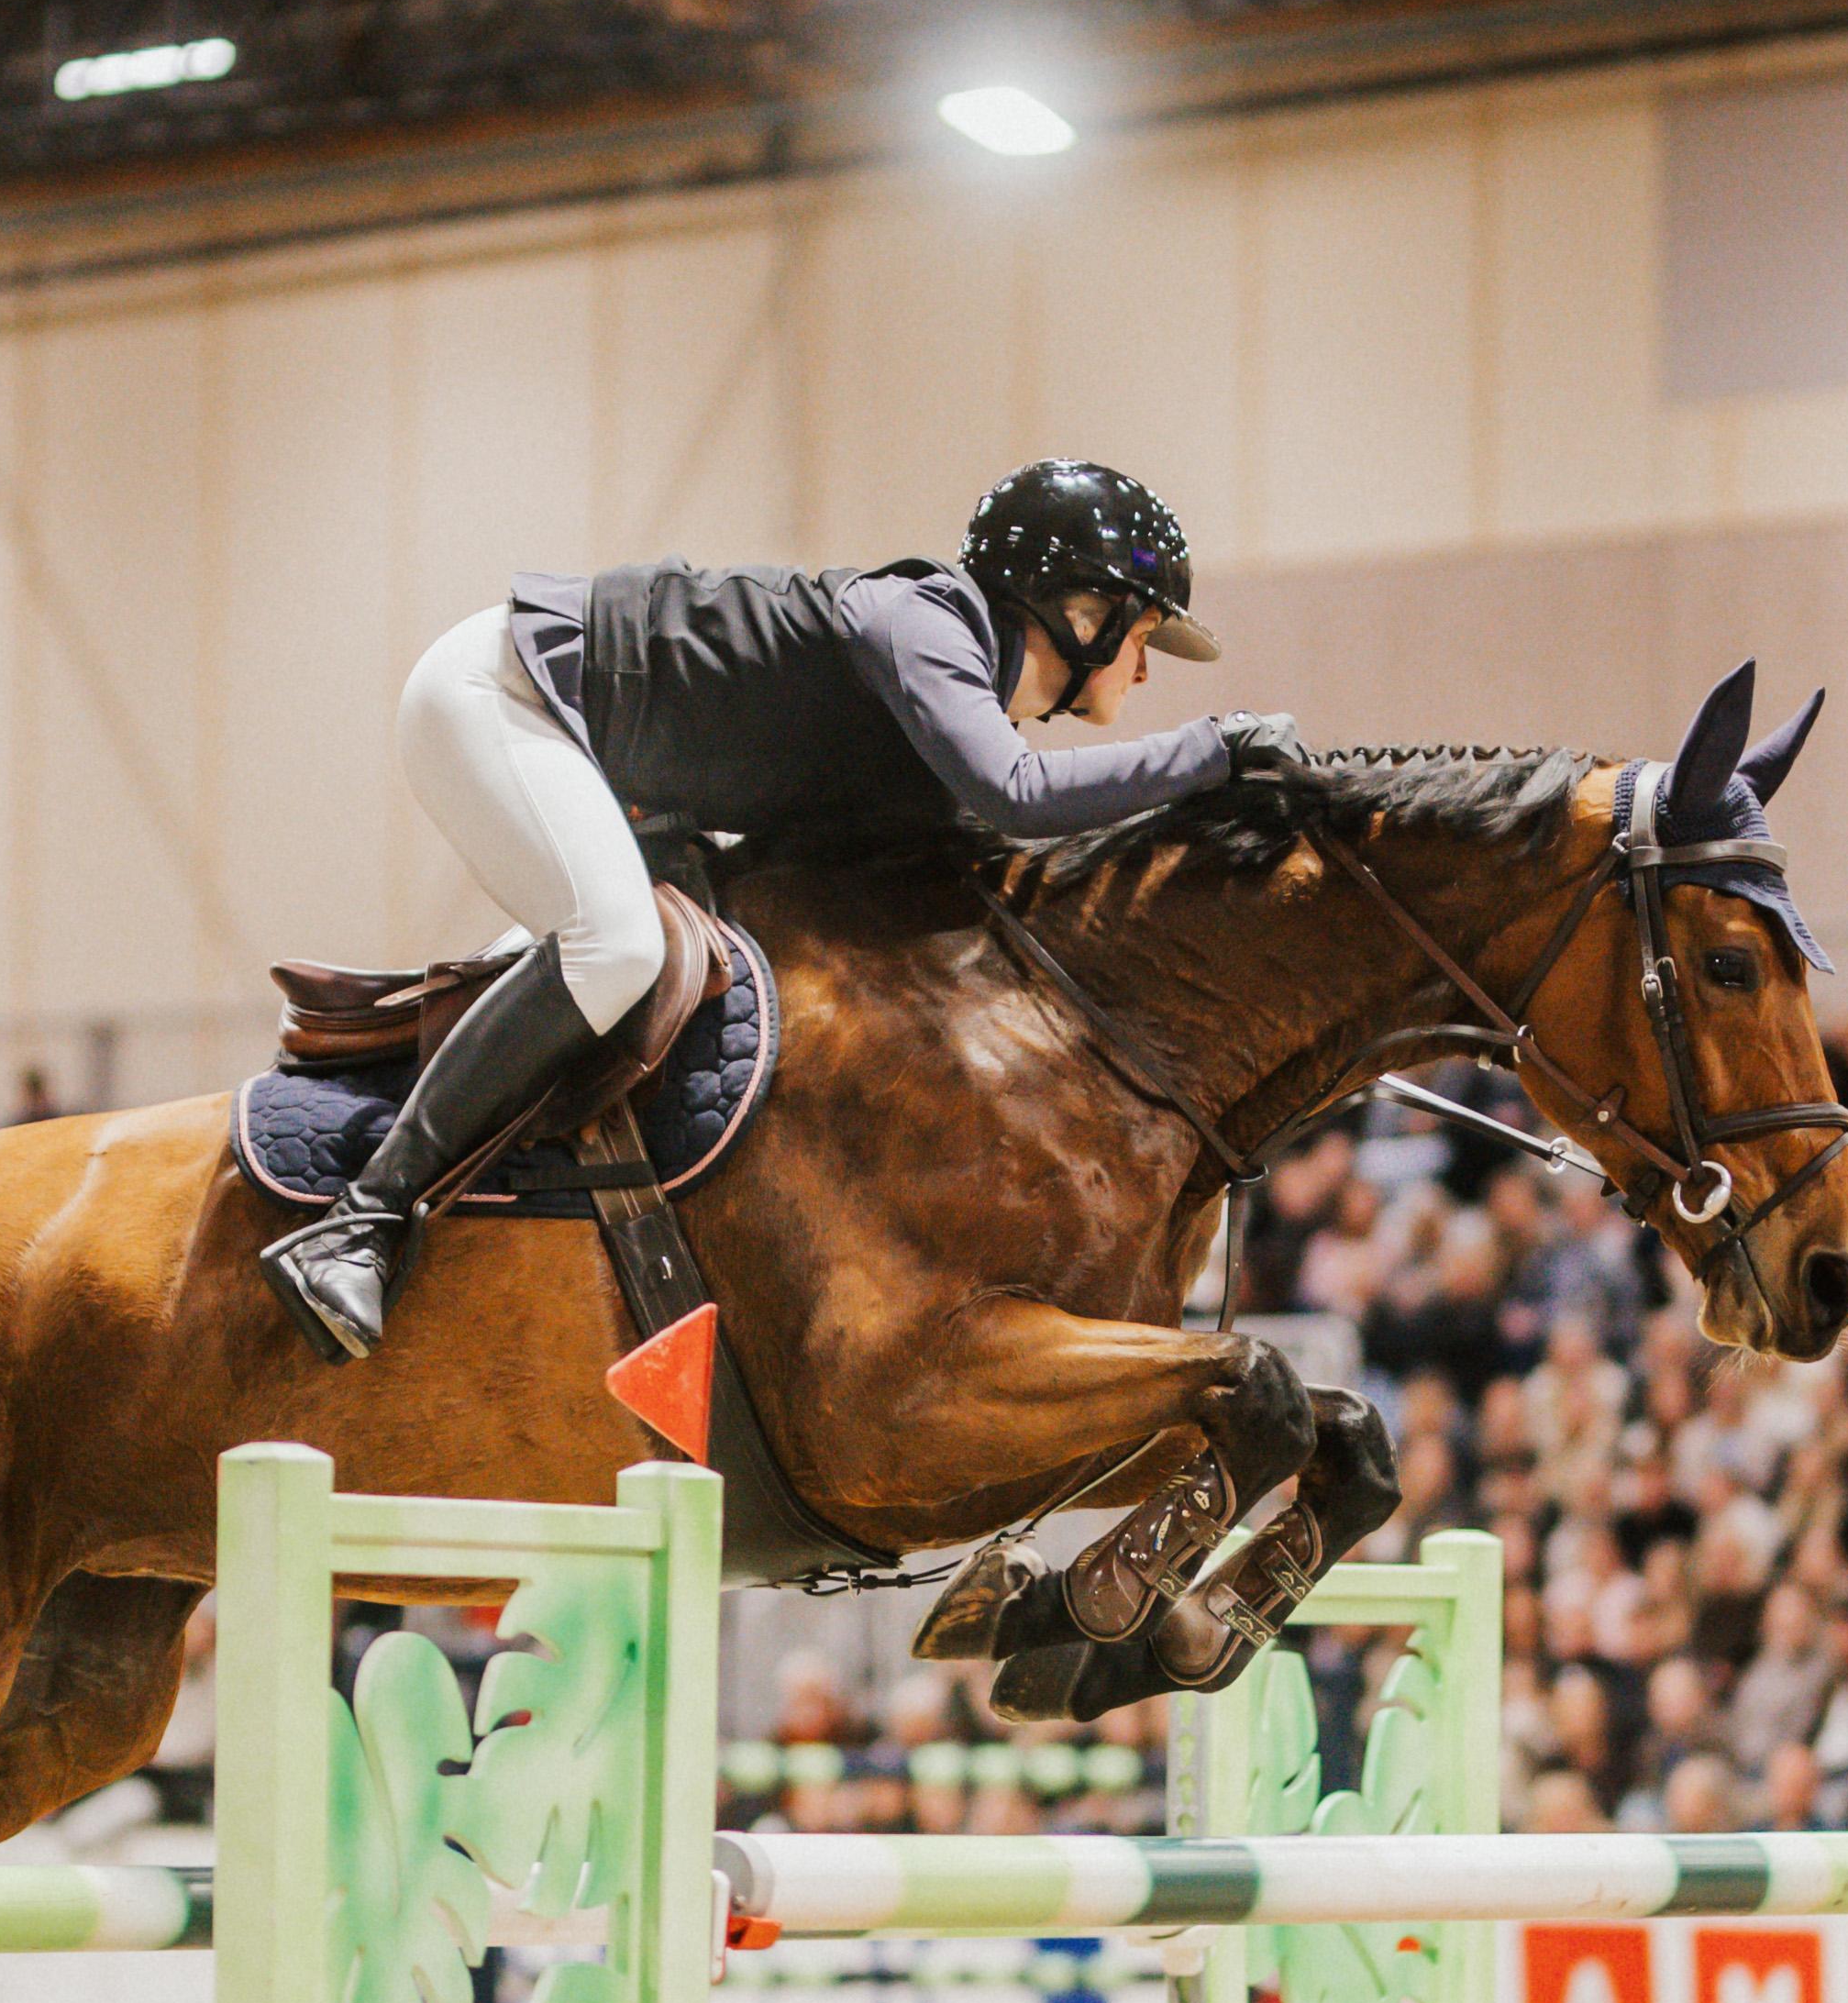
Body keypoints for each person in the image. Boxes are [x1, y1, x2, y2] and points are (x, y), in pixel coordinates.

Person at [261, 461, 1300, 1362]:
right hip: (508, 696)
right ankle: (360, 1222)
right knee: (615, 947)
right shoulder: (922, 621)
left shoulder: (943, 714)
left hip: (614, 776)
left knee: (667, 968)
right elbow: (1020, 797)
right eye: (1142, 634)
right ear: (1080, 610)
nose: (1145, 668)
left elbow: (996, 845)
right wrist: (1214, 751)